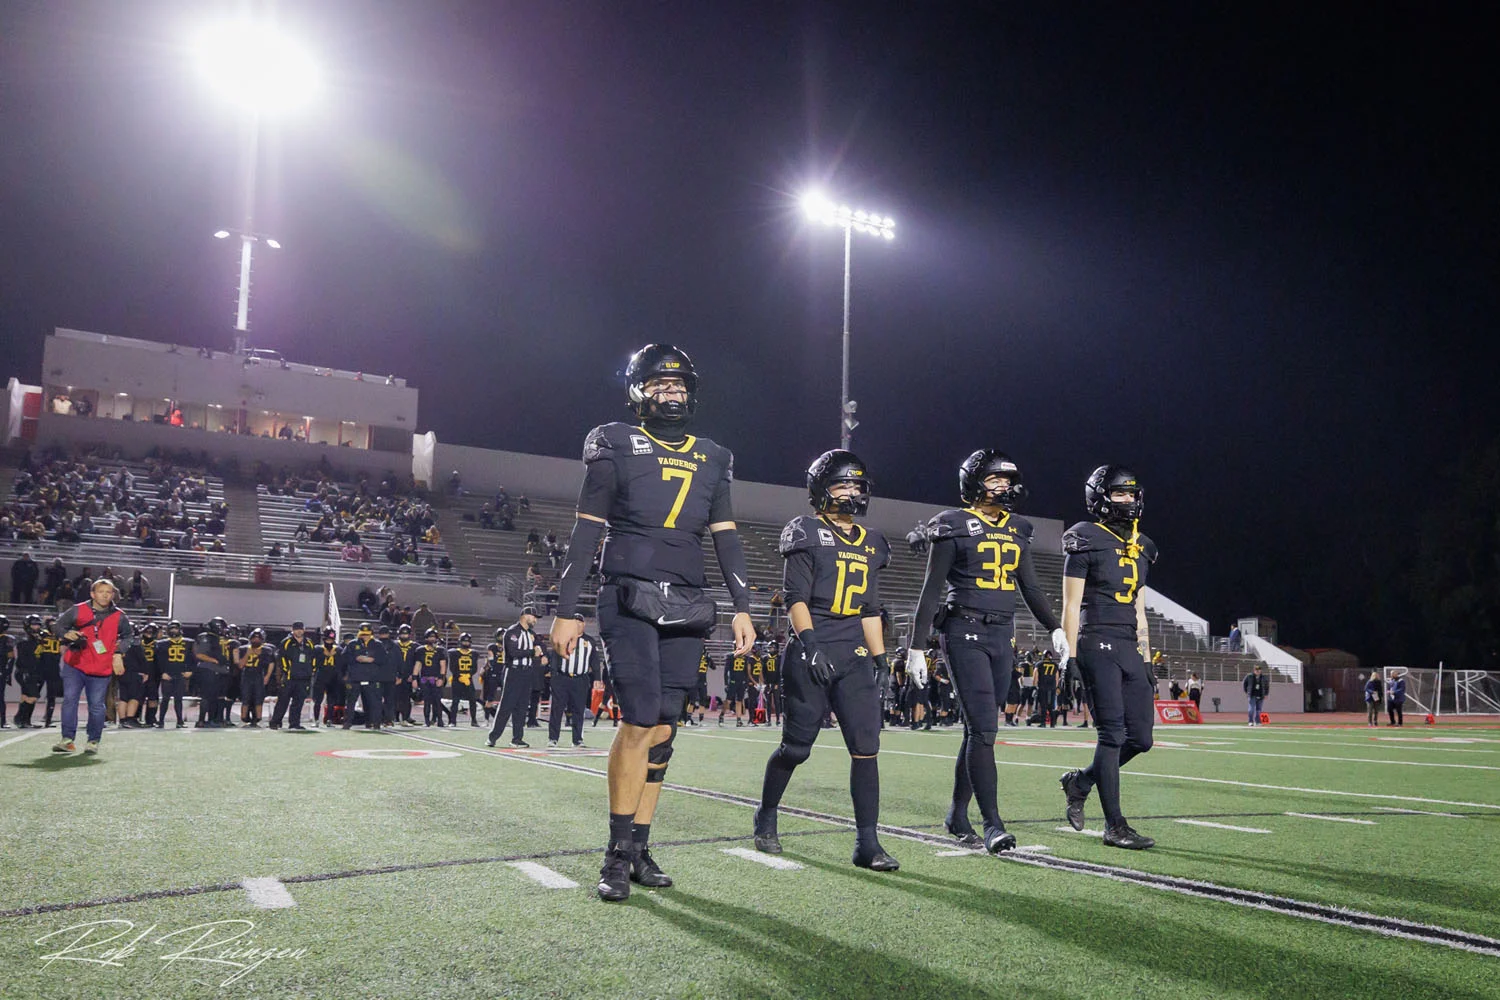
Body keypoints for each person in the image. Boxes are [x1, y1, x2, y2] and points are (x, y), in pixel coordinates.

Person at [548, 344, 756, 902]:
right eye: (661, 385)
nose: (672, 393)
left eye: (680, 386)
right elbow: (587, 530)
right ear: (639, 390)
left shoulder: (713, 455)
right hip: (628, 592)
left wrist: (742, 604)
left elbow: (727, 537)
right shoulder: (614, 440)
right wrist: (567, 609)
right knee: (639, 717)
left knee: (666, 724)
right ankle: (615, 854)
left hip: (687, 598)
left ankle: (640, 847)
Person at [908, 450, 1068, 852]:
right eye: (995, 479)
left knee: (977, 730)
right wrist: (915, 647)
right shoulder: (953, 524)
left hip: (1002, 634)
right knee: (984, 730)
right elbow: (931, 589)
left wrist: (1055, 628)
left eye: (1007, 480)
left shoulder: (1019, 528)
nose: (1004, 487)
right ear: (975, 483)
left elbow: (1029, 586)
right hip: (964, 630)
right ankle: (993, 823)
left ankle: (956, 814)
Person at [752, 450, 897, 871]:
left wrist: (882, 659)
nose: (851, 493)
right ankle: (766, 813)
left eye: (856, 485)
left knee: (866, 748)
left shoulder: (872, 542)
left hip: (852, 652)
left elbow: (870, 610)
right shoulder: (806, 531)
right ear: (821, 490)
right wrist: (810, 643)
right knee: (797, 748)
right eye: (841, 485)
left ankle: (867, 843)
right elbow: (797, 597)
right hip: (811, 649)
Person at [1058, 466, 1159, 850]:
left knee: (1142, 739)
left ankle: (1081, 781)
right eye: (1119, 494)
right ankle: (1115, 825)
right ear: (1100, 498)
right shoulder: (1084, 538)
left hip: (1129, 643)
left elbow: (1140, 608)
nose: (1128, 501)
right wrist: (1067, 656)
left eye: (1132, 494)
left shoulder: (1142, 545)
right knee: (1112, 734)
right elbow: (1071, 605)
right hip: (1096, 639)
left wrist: (1147, 658)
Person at [50, 578, 135, 754]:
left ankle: (93, 741)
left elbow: (128, 636)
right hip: (75, 664)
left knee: (96, 705)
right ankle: (67, 740)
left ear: (113, 595)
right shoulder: (78, 609)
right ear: (92, 594)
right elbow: (57, 626)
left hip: (101, 667)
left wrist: (118, 653)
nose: (105, 595)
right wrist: (67, 634)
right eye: (101, 591)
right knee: (69, 701)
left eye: (109, 592)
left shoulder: (119, 616)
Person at [488, 609, 539, 746]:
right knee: (506, 705)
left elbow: (536, 651)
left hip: (527, 672)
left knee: (522, 707)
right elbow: (513, 652)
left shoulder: (530, 634)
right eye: (534, 617)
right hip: (514, 672)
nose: (535, 620)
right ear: (525, 616)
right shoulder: (512, 632)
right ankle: (493, 737)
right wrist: (532, 652)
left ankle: (517, 738)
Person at [551, 614, 599, 747]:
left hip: (580, 679)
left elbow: (594, 661)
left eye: (580, 622)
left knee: (579, 709)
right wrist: (554, 675)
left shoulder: (590, 641)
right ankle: (553, 738)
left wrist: (597, 678)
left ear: (584, 624)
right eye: (575, 622)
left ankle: (577, 739)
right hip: (562, 677)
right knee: (557, 708)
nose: (577, 625)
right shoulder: (564, 638)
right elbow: (555, 656)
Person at [270, 620, 316, 730]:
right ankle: (275, 722)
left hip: (304, 677)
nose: (299, 631)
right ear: (293, 630)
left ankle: (294, 723)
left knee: (298, 702)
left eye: (301, 629)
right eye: (296, 629)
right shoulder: (286, 642)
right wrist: (287, 671)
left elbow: (313, 658)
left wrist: (311, 671)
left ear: (304, 630)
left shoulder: (309, 643)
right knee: (283, 701)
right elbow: (281, 658)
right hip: (289, 677)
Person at [342, 623, 384, 730]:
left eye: (367, 634)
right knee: (351, 702)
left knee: (373, 702)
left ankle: (374, 723)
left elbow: (384, 659)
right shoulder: (352, 644)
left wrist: (371, 659)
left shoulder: (377, 644)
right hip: (355, 678)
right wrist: (356, 659)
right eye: (363, 634)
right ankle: (347, 722)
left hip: (371, 678)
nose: (365, 636)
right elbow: (344, 658)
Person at [193, 617, 230, 728]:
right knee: (206, 696)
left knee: (218, 697)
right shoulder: (206, 637)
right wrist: (216, 661)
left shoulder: (217, 638)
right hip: (209, 670)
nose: (224, 630)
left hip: (219, 671)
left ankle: (214, 719)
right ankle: (201, 720)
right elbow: (199, 654)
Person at [155, 620, 192, 728]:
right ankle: (160, 721)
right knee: (165, 699)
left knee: (178, 699)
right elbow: (157, 660)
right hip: (168, 673)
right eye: (172, 628)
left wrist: (190, 670)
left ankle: (180, 721)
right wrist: (161, 673)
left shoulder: (189, 642)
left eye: (175, 628)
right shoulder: (161, 643)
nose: (174, 631)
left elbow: (192, 659)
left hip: (180, 673)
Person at [410, 627, 448, 727]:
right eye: (430, 637)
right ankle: (427, 721)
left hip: (435, 678)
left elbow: (443, 666)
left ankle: (439, 720)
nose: (432, 639)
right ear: (426, 638)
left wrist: (441, 678)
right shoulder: (420, 650)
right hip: (425, 678)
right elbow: (417, 665)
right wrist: (414, 678)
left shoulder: (440, 650)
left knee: (437, 701)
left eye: (433, 637)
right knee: (426, 701)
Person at [238, 628, 271, 728]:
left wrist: (267, 676)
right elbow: (240, 665)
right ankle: (244, 719)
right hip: (247, 675)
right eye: (254, 638)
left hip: (259, 675)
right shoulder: (243, 649)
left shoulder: (266, 650)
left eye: (258, 638)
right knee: (245, 698)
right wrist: (248, 654)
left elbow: (271, 663)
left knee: (258, 698)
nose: (256, 640)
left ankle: (258, 719)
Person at [447, 632, 481, 727]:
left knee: (473, 700)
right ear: (460, 642)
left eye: (467, 641)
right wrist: (459, 676)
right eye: (464, 641)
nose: (466, 643)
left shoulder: (473, 653)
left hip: (468, 679)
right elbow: (452, 668)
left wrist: (468, 675)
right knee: (455, 700)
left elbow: (474, 668)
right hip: (457, 679)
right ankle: (453, 721)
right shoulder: (454, 653)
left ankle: (474, 720)